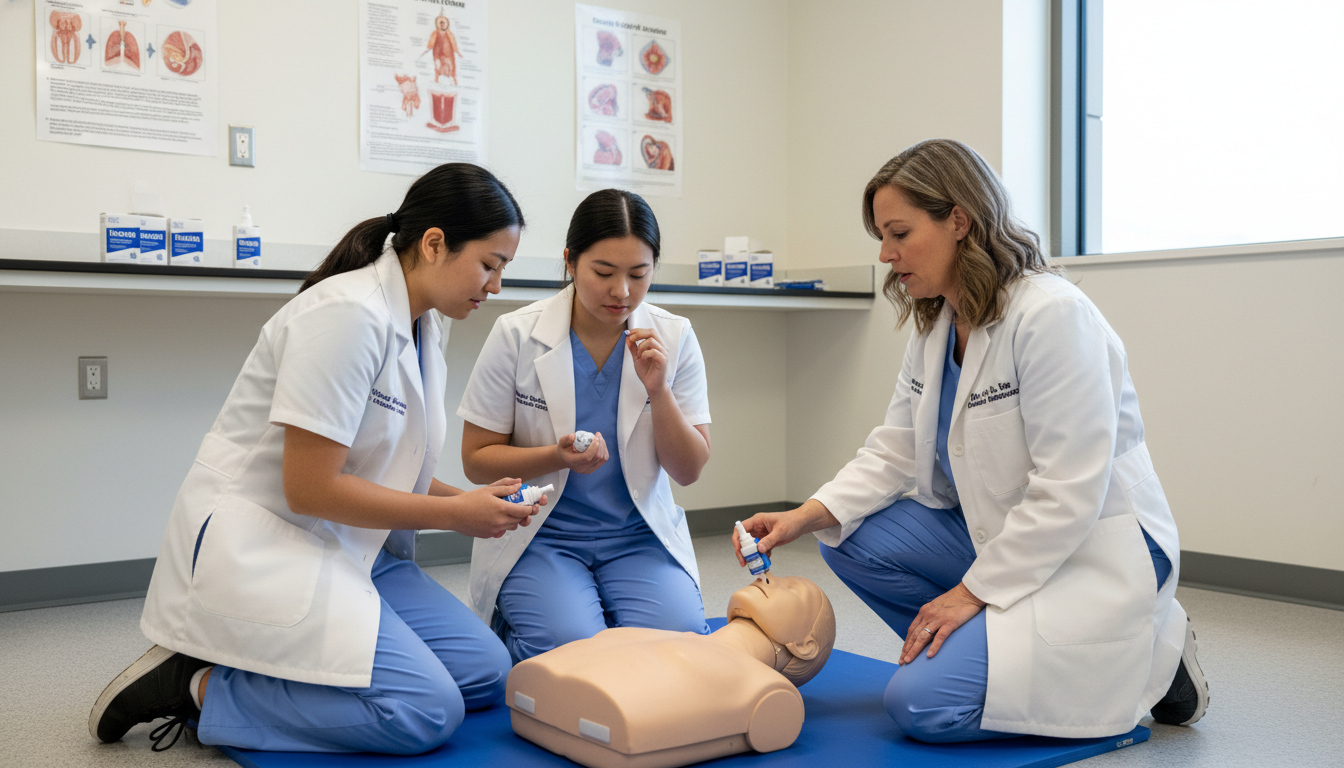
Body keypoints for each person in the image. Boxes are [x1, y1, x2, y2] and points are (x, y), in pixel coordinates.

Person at [735, 139, 1209, 742]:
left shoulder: (1053, 317)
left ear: (959, 220)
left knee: (923, 708)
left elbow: (1070, 490)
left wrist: (967, 593)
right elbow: (898, 446)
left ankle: (1141, 649)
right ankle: (997, 651)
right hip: (1008, 533)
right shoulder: (937, 323)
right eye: (882, 236)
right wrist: (802, 517)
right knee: (845, 536)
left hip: (1097, 547)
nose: (885, 254)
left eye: (900, 233)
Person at [89, 164, 539, 755]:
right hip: (277, 542)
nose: (496, 286)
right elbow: (309, 489)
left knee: (485, 671)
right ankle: (196, 683)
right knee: (424, 710)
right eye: (490, 264)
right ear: (434, 244)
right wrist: (457, 518)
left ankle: (275, 663)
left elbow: (392, 469)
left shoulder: (424, 325)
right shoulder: (347, 316)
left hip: (356, 547)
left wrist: (476, 502)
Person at [458, 188, 713, 663]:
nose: (622, 292)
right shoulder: (517, 334)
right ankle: (526, 628)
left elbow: (689, 470)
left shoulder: (674, 337)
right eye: (603, 272)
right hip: (541, 535)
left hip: (638, 536)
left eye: (639, 274)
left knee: (681, 652)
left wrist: (659, 391)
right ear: (570, 262)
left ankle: (608, 619)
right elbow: (475, 460)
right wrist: (554, 458)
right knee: (572, 656)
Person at [507, 577, 835, 768]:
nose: (767, 578)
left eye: (789, 588)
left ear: (804, 646)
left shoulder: (768, 690)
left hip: (567, 707)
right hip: (576, 701)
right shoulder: (664, 636)